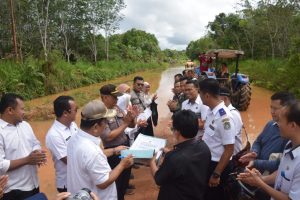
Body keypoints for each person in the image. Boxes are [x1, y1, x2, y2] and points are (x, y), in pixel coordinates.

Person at [67, 100, 133, 200]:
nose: (106, 125)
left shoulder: (74, 139)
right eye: (105, 122)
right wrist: (122, 165)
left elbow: (88, 159)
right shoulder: (92, 151)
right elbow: (103, 183)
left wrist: (114, 150)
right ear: (95, 127)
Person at [237, 101, 300, 200]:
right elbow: (281, 172)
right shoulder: (290, 145)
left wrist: (260, 183)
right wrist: (260, 179)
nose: (277, 125)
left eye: (280, 121)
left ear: (292, 125)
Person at [150, 110, 211, 200]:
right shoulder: (204, 147)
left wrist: (151, 161)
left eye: (173, 128)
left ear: (177, 132)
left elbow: (158, 179)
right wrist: (172, 152)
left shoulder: (173, 158)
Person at [0, 93, 47, 200]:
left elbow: (35, 143)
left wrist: (37, 153)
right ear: (10, 110)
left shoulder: (25, 125)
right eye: (22, 109)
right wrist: (27, 160)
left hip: (34, 183)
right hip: (14, 190)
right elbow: (1, 165)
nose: (24, 112)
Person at [239, 92, 295, 173]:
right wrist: (255, 152)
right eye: (271, 107)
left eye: (275, 108)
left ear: (287, 109)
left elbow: (282, 164)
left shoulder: (291, 134)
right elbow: (258, 141)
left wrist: (255, 162)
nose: (272, 111)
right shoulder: (270, 124)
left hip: (271, 179)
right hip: (257, 173)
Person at [198, 79, 236, 200]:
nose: (199, 96)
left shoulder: (225, 117)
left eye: (200, 93)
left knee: (215, 196)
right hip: (208, 162)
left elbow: (229, 149)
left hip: (218, 165)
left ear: (207, 95)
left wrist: (216, 174)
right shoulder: (211, 111)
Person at [100, 84, 136, 199]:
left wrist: (132, 118)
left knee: (124, 182)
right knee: (116, 185)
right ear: (105, 97)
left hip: (125, 146)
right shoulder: (100, 114)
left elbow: (131, 124)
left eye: (117, 97)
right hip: (113, 153)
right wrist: (125, 123)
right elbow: (108, 136)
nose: (116, 99)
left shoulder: (117, 108)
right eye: (114, 97)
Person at [46, 96, 78, 192]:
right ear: (65, 113)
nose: (77, 112)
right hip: (67, 183)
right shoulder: (54, 135)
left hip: (79, 178)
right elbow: (67, 160)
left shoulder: (73, 125)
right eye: (75, 110)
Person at [219, 87, 243, 155]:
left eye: (217, 99)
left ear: (225, 99)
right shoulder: (222, 112)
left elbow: (230, 136)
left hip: (233, 155)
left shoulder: (233, 114)